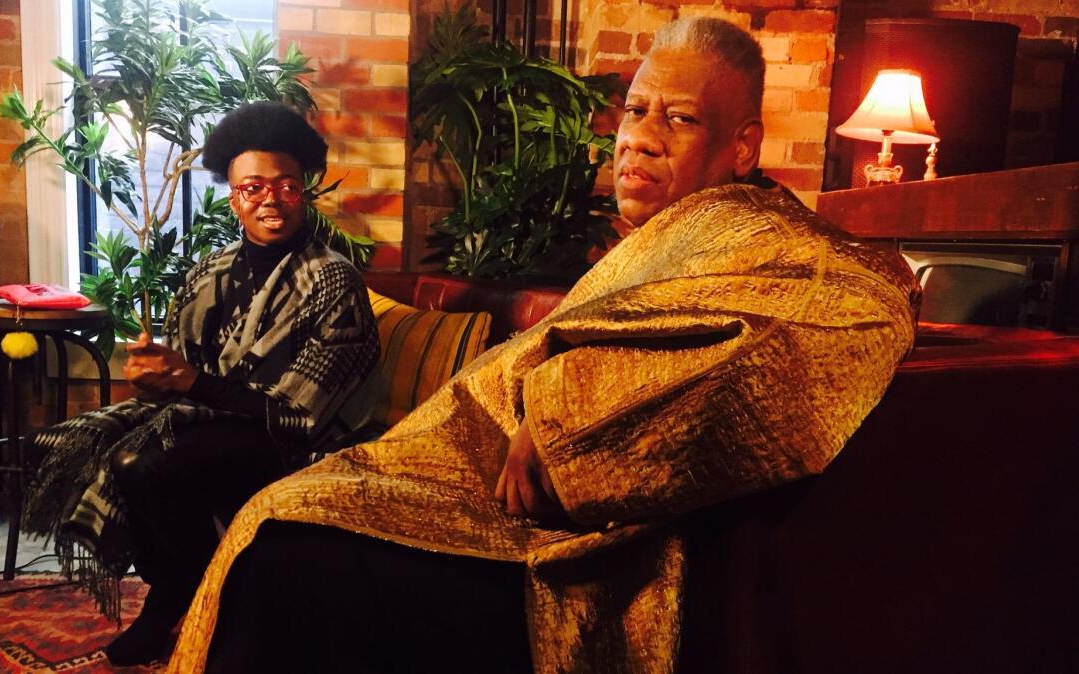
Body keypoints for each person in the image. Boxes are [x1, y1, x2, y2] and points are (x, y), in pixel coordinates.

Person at [168, 17, 921, 674]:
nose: (641, 138)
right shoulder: (660, 242)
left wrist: (569, 418)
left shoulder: (764, 237)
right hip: (486, 483)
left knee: (287, 555)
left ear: (742, 146)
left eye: (681, 119)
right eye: (635, 110)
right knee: (285, 516)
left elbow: (845, 311)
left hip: (588, 552)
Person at [20, 103, 381, 666]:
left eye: (285, 185)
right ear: (234, 197)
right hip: (216, 424)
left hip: (301, 440)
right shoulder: (209, 274)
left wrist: (189, 383)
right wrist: (153, 380)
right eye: (253, 187)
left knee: (141, 465)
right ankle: (184, 586)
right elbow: (185, 378)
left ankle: (183, 595)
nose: (270, 199)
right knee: (102, 448)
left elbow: (304, 415)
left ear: (303, 191)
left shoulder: (333, 278)